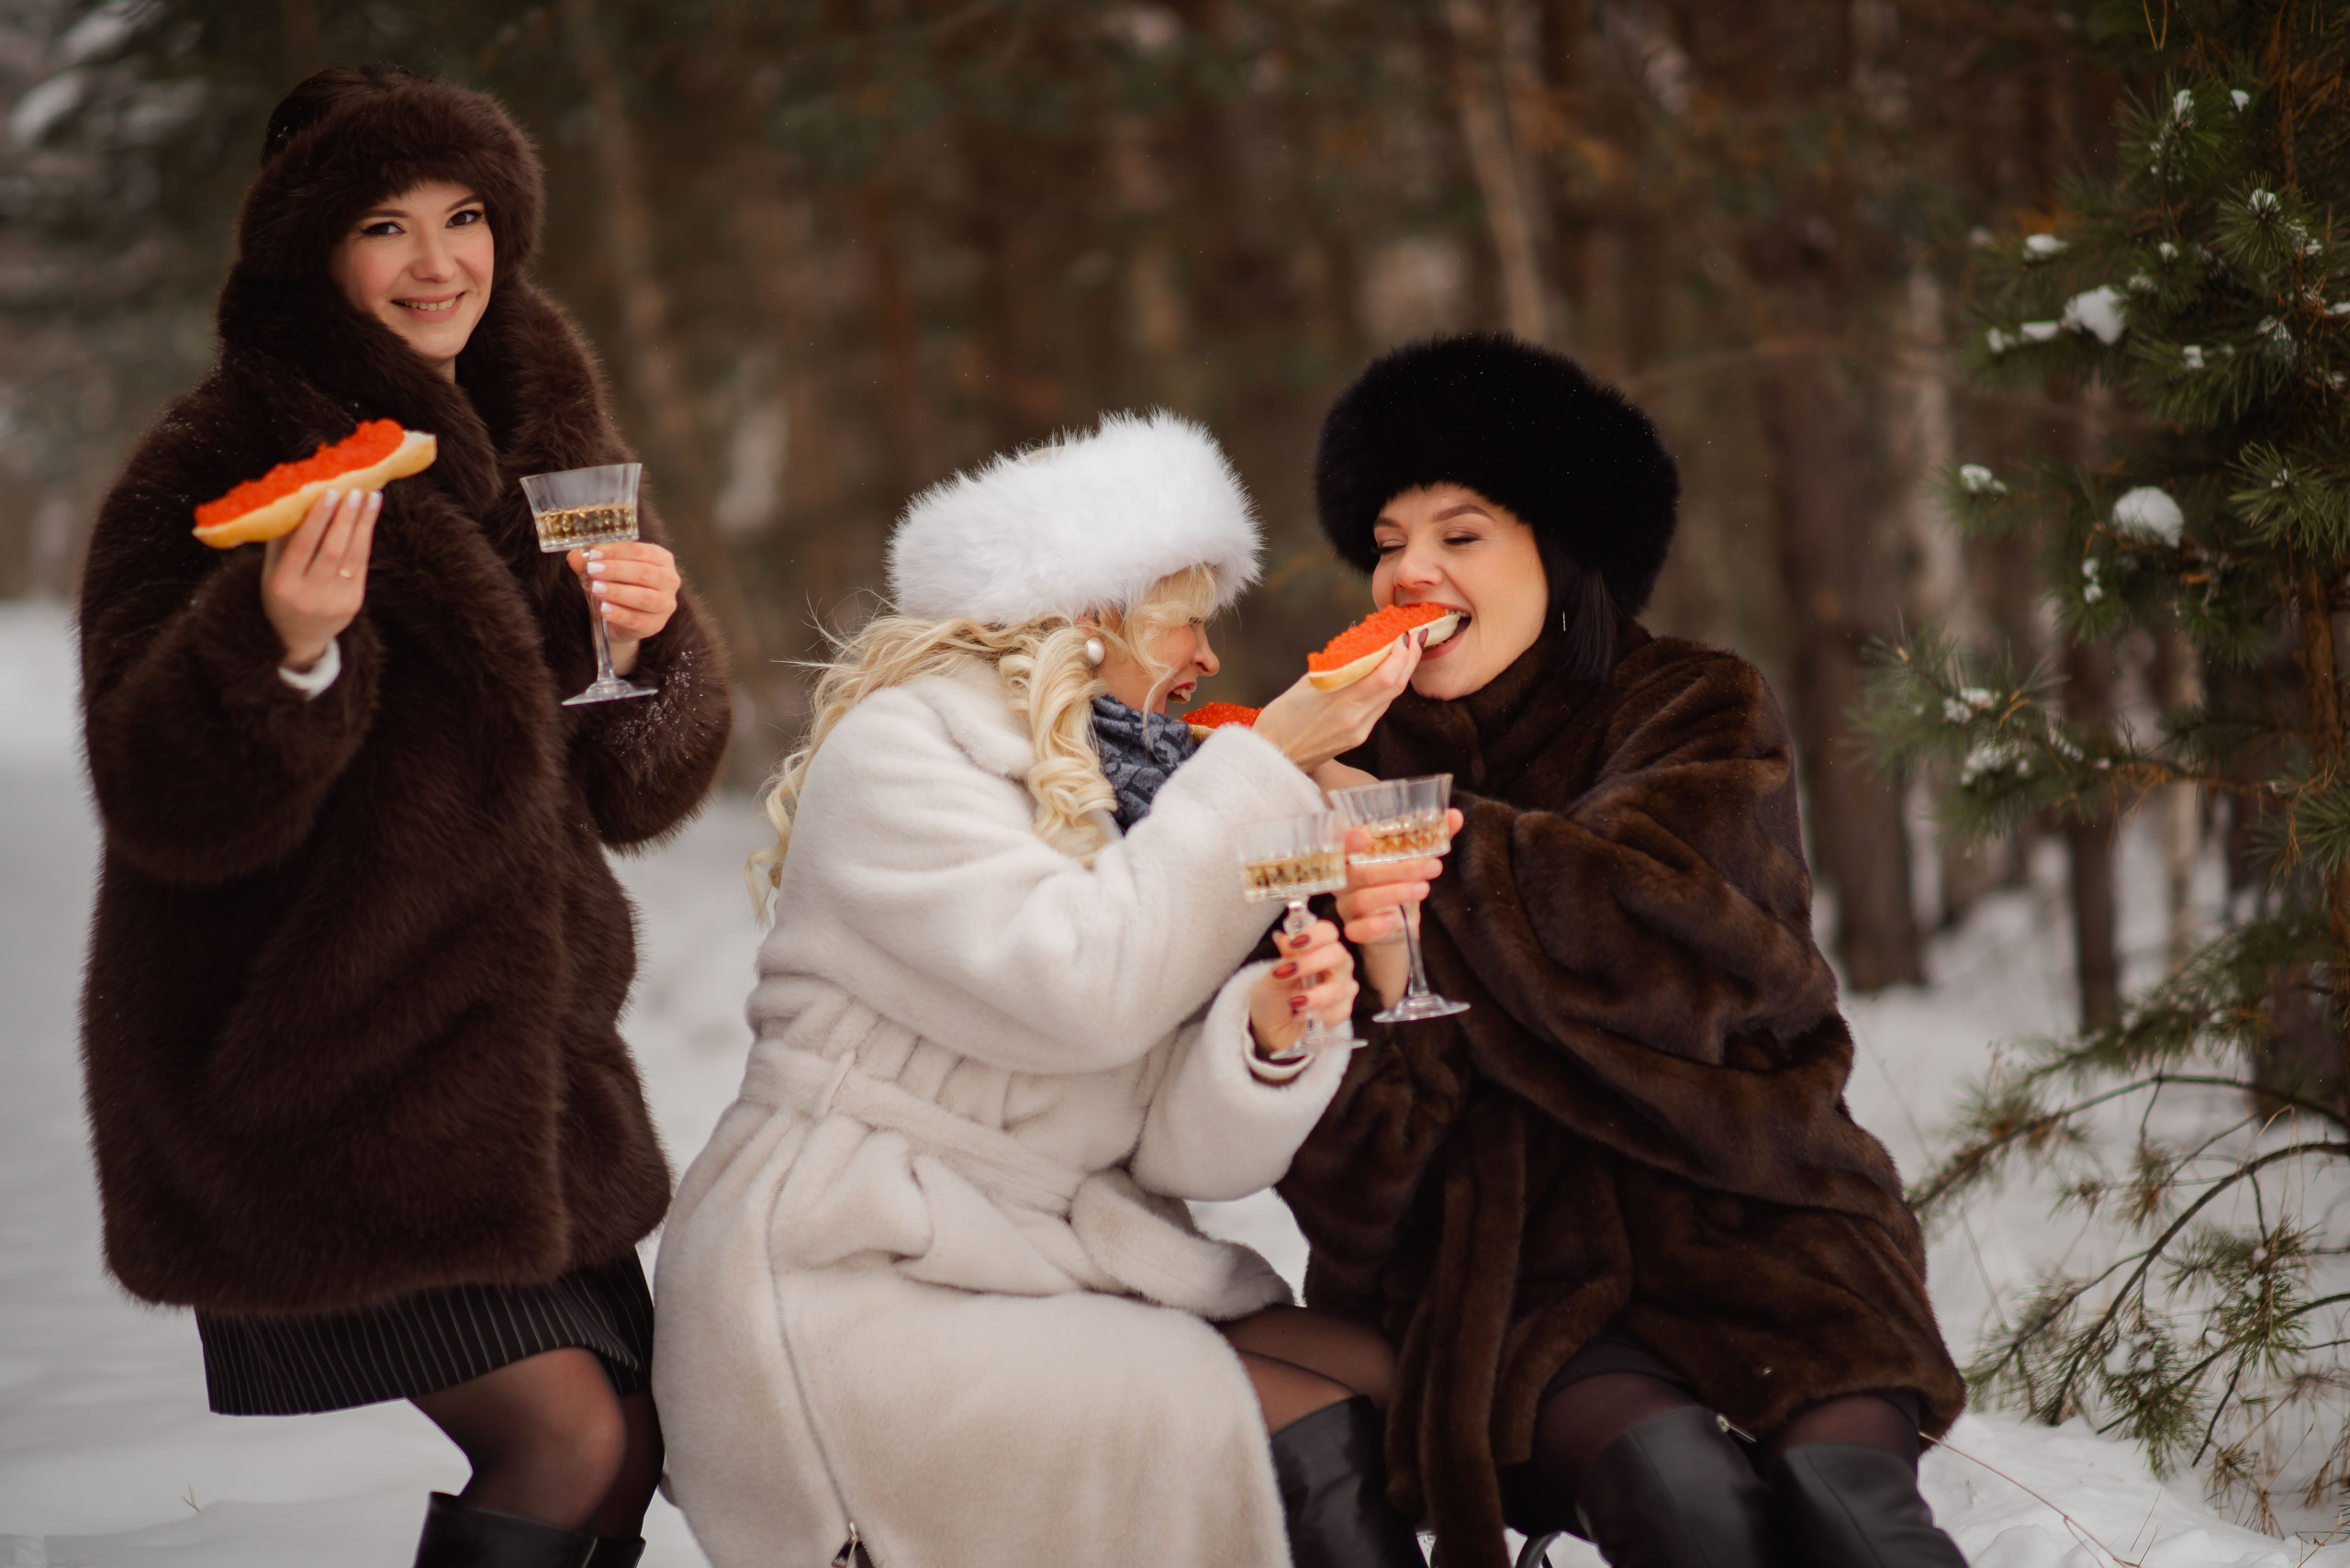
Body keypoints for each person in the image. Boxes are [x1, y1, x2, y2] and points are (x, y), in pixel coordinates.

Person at [75, 66, 732, 1568]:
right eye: (386, 225)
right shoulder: (208, 468)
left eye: (467, 216)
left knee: (637, 1444)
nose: (439, 263)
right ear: (310, 247)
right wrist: (279, 644)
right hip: (315, 1083)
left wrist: (649, 651)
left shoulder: (553, 444)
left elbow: (637, 786)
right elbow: (157, 795)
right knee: (567, 1441)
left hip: (528, 1080)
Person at [655, 410, 1428, 1568]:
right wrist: (1267, 760)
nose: (1207, 659)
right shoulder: (905, 751)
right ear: (1088, 614)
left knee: (1411, 1390)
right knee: (1291, 1429)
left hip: (1036, 1256)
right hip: (850, 1281)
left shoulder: (1146, 796)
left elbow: (1177, 1155)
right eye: (1183, 620)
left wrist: (1269, 1033)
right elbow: (1085, 986)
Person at [1280, 334, 1970, 1568]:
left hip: (1766, 1230)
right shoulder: (1334, 780)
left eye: (1460, 533)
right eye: (1387, 543)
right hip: (1522, 1287)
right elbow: (1341, 1174)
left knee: (1846, 1510)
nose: (1409, 572)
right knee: (1681, 1497)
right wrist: (1372, 980)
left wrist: (1417, 838)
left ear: (1562, 547)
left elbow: (1669, 948)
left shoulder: (1697, 706)